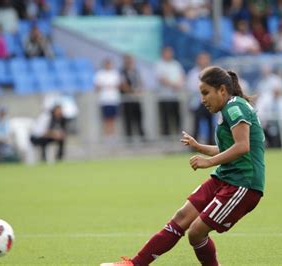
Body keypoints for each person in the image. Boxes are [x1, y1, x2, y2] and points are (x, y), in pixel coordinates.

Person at [101, 66, 265, 266]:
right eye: (200, 93)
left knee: (196, 232)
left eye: (206, 93)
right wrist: (199, 147)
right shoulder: (229, 107)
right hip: (225, 177)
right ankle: (134, 264)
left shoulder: (233, 107)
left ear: (222, 90)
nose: (203, 99)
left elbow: (242, 146)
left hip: (242, 184)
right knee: (182, 217)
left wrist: (208, 162)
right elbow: (227, 148)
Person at [155, 46, 185, 137]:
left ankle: (178, 138)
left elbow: (181, 76)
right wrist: (174, 84)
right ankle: (166, 138)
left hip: (175, 97)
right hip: (164, 97)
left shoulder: (176, 64)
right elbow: (162, 79)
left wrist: (179, 84)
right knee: (165, 119)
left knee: (177, 118)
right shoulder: (159, 65)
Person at [186, 52, 214, 144]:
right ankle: (194, 143)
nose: (204, 61)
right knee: (196, 124)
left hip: (210, 101)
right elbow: (191, 87)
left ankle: (211, 143)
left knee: (210, 123)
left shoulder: (212, 72)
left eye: (205, 59)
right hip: (198, 102)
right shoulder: (193, 73)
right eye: (202, 59)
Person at [120, 54, 146, 142]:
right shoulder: (122, 72)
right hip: (127, 99)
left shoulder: (135, 71)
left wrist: (138, 91)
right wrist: (132, 92)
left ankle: (142, 137)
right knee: (128, 119)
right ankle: (129, 139)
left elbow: (140, 82)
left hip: (136, 99)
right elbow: (123, 85)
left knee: (139, 118)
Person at [94, 58, 121, 141]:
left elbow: (119, 85)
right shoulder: (100, 74)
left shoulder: (115, 73)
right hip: (105, 100)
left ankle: (113, 137)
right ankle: (107, 137)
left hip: (114, 100)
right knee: (106, 119)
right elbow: (97, 86)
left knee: (113, 119)